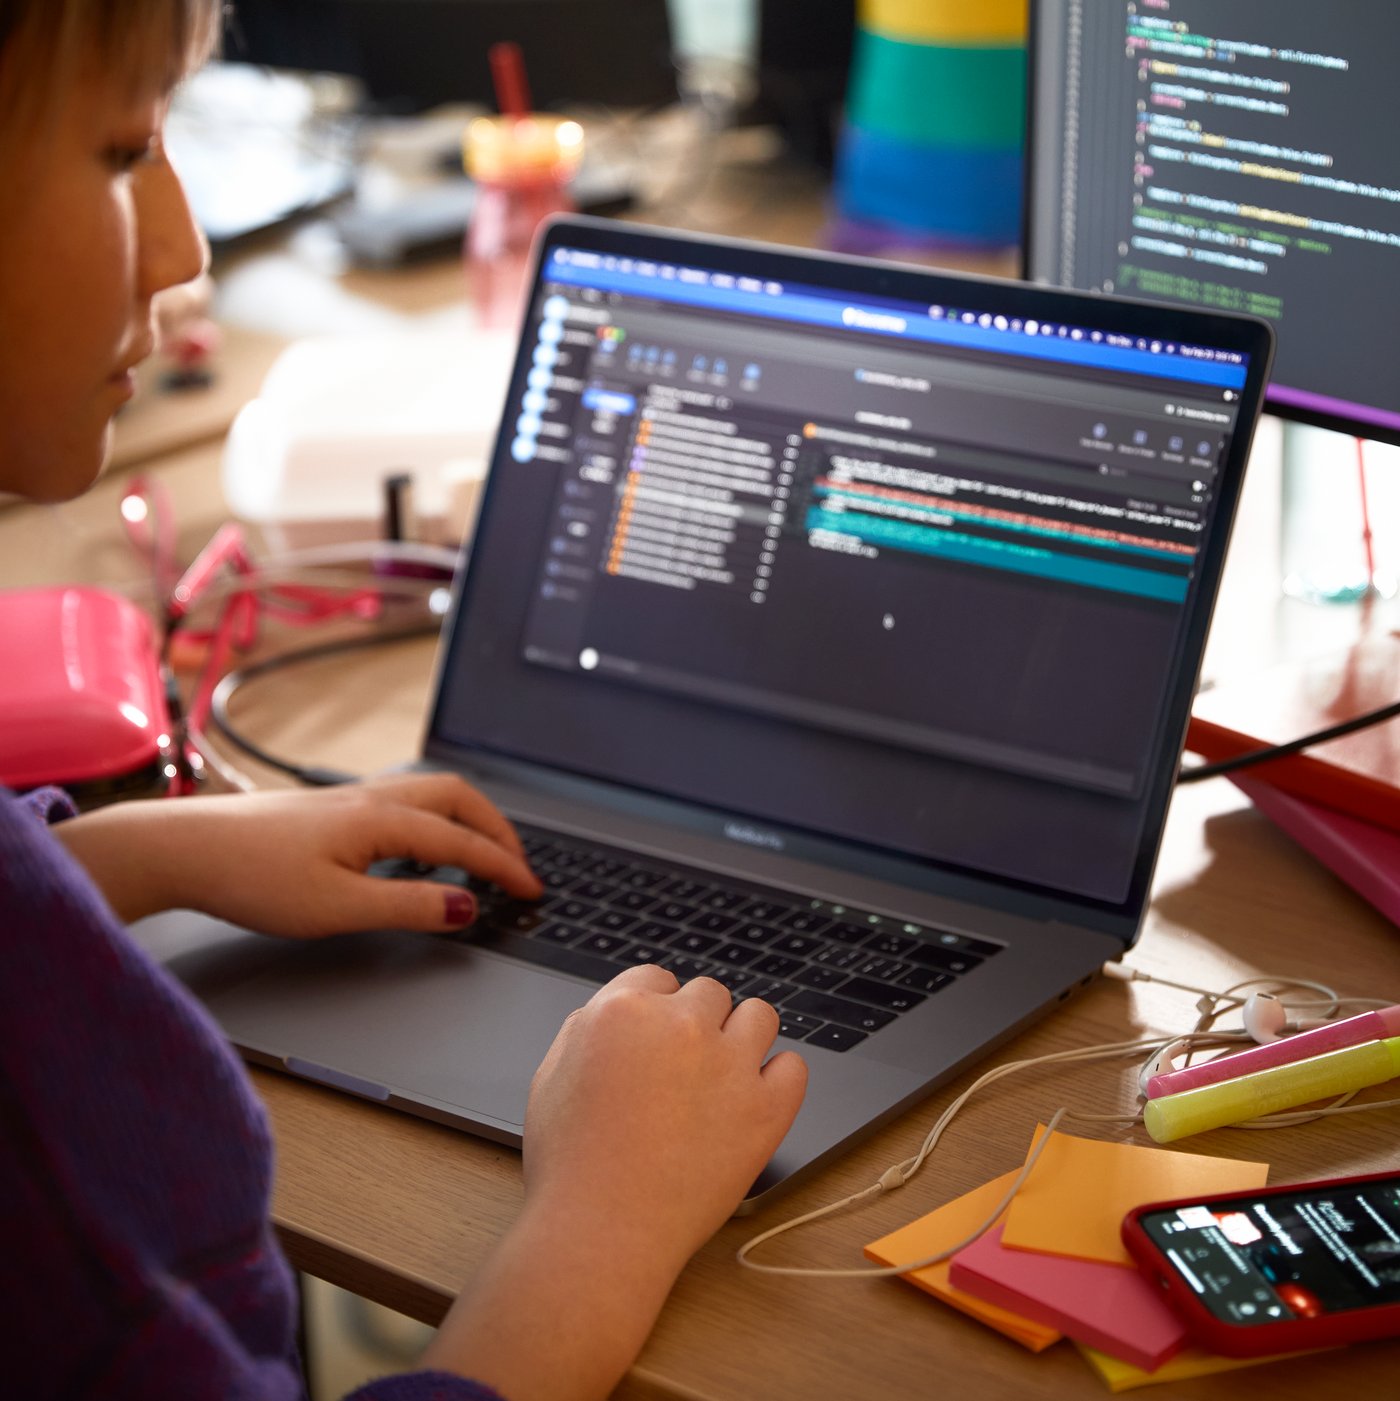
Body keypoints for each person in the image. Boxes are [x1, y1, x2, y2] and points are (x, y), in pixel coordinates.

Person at [0, 3, 809, 1397]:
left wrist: (121, 858)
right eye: (126, 145)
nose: (184, 248)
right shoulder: (45, 1161)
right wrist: (601, 1224)